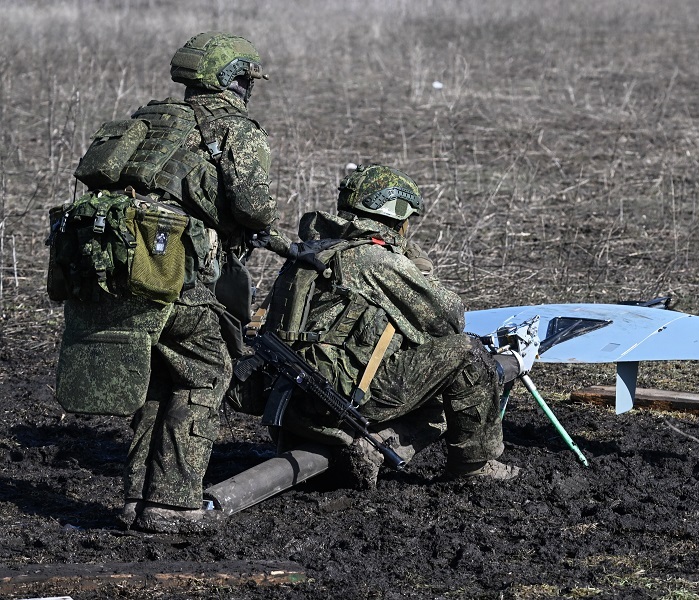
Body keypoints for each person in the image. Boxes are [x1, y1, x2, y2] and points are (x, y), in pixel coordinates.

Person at [50, 31, 292, 533]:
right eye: (247, 81)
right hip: (177, 278)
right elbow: (252, 207)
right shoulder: (235, 130)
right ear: (234, 81)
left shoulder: (149, 120)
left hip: (120, 277)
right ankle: (175, 504)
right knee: (206, 371)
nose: (249, 90)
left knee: (159, 377)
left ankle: (138, 500)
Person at [248, 164, 538, 489]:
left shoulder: (315, 252)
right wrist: (418, 268)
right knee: (466, 356)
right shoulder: (376, 259)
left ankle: (369, 446)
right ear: (398, 217)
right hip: (340, 402)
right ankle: (473, 466)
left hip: (290, 404)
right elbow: (450, 321)